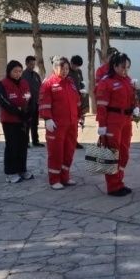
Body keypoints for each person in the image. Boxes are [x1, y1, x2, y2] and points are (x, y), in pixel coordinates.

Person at [95, 53, 139, 196]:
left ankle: (119, 181)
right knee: (112, 153)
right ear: (114, 66)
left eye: (127, 67)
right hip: (112, 120)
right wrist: (102, 125)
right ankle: (113, 186)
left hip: (126, 119)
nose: (125, 70)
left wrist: (136, 106)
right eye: (123, 67)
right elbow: (101, 106)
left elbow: (133, 96)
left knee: (124, 153)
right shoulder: (106, 82)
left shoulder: (127, 80)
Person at [39, 56, 81, 189]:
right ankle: (54, 179)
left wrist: (80, 116)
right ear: (55, 68)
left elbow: (76, 101)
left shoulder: (70, 82)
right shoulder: (48, 83)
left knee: (69, 151)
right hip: (56, 125)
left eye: (67, 69)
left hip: (71, 124)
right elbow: (44, 102)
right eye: (62, 68)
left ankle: (65, 177)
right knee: (56, 152)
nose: (65, 71)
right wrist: (47, 118)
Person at [0, 60, 34, 183]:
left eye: (20, 71)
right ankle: (11, 172)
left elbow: (30, 98)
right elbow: (4, 101)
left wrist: (29, 112)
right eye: (15, 71)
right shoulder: (1, 84)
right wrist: (18, 112)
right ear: (9, 71)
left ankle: (22, 169)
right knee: (12, 146)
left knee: (23, 146)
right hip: (10, 120)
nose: (18, 74)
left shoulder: (24, 83)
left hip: (24, 120)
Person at [22, 56, 43, 147]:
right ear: (26, 64)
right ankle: (25, 142)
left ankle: (35, 141)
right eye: (31, 64)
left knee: (35, 123)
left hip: (36, 102)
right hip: (27, 103)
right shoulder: (22, 75)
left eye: (34, 64)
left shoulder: (36, 75)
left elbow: (40, 88)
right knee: (27, 123)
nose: (32, 66)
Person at [69, 55, 90, 149]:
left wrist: (83, 89)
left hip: (78, 99)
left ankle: (74, 141)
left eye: (78, 66)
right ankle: (69, 141)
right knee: (69, 122)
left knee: (76, 121)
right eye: (75, 65)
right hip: (69, 99)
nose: (76, 68)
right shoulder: (66, 71)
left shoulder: (79, 72)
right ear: (71, 63)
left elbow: (81, 83)